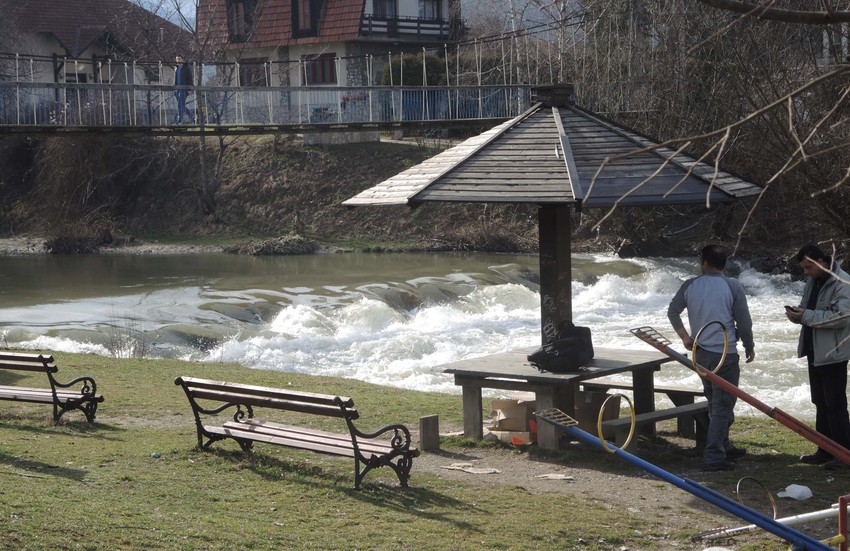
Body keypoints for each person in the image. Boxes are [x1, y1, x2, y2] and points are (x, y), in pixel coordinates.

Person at [668, 244, 755, 472]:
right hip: (724, 354)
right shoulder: (732, 286)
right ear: (723, 264)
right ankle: (714, 456)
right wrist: (749, 345)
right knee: (723, 406)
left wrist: (685, 338)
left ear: (704, 263)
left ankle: (723, 445)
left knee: (714, 402)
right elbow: (744, 323)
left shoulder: (690, 285)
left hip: (700, 354)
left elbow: (672, 311)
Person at [785, 244, 850, 470]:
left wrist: (807, 315)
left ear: (821, 261)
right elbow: (807, 309)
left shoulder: (842, 282)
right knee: (820, 402)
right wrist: (797, 315)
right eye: (803, 269)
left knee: (835, 405)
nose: (806, 273)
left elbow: (842, 317)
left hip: (833, 353)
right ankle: (824, 450)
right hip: (815, 349)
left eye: (808, 268)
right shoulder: (814, 280)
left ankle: (843, 455)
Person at [173, 55, 194, 124]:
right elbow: (176, 79)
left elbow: (190, 79)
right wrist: (175, 88)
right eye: (177, 59)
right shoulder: (177, 68)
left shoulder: (186, 68)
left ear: (182, 60)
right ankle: (192, 115)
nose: (178, 61)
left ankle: (180, 120)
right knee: (181, 104)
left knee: (180, 104)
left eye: (179, 59)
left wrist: (190, 89)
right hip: (177, 89)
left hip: (184, 89)